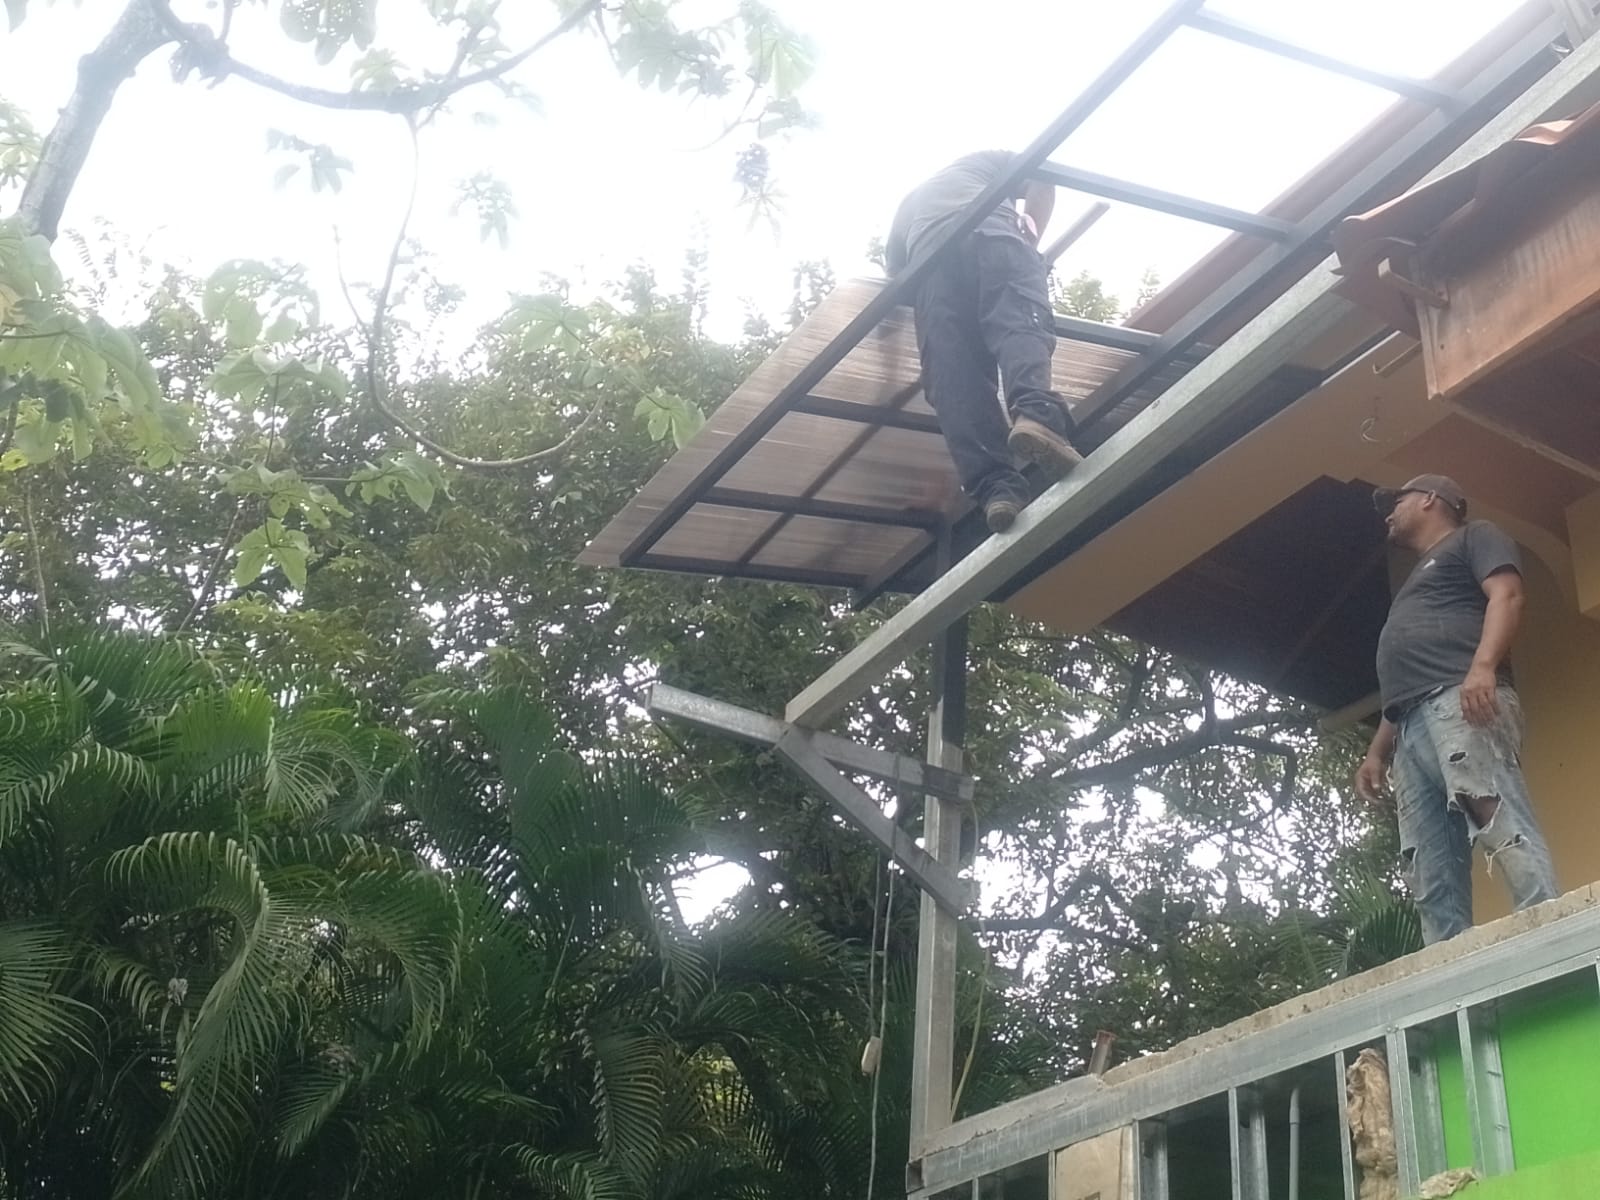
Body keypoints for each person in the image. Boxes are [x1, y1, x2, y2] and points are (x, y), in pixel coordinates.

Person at [1354, 474, 1558, 944]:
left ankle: (1547, 922)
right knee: (1428, 856)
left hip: (1461, 702)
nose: (1388, 511)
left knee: (1492, 808)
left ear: (1430, 499)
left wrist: (1483, 667)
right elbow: (1406, 679)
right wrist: (1377, 752)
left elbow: (1506, 596)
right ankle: (1449, 960)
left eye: (1396, 500)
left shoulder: (1476, 536)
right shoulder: (1415, 580)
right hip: (1410, 725)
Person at [885, 150, 1083, 533]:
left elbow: (895, 272)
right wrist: (1031, 235)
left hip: (928, 270)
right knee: (1017, 320)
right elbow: (1043, 177)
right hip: (991, 232)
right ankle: (1035, 414)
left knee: (954, 377)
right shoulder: (991, 160)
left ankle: (997, 488)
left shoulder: (908, 205)